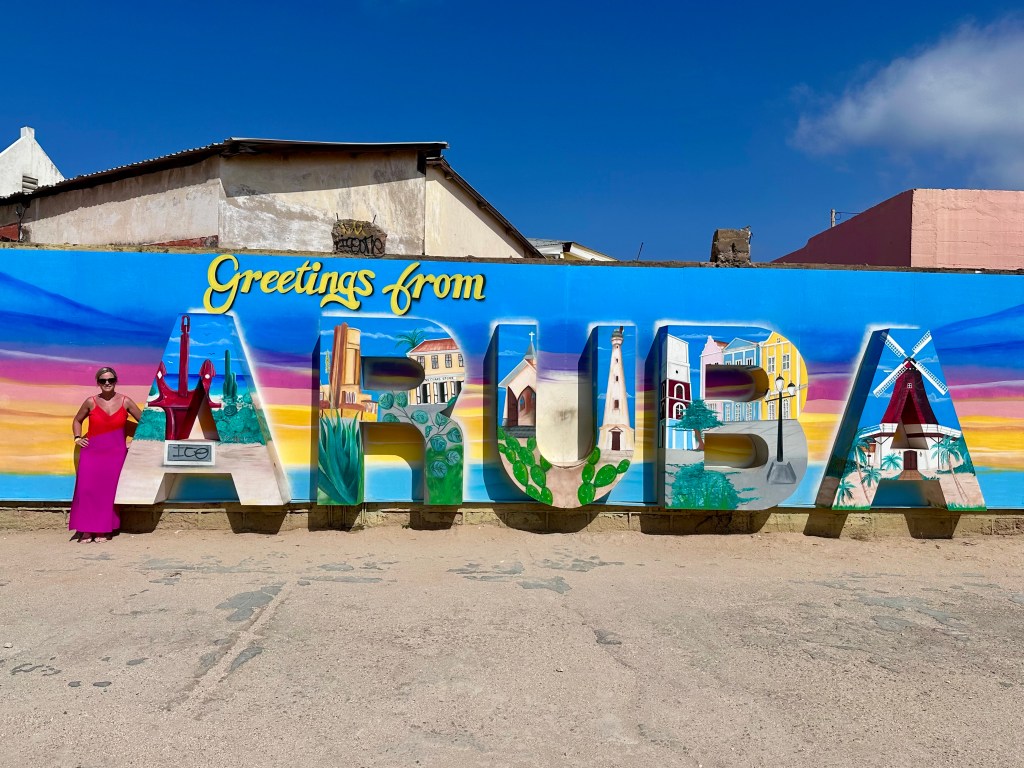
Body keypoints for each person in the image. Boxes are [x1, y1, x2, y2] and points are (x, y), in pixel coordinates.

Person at [70, 367, 142, 542]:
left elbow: (145, 423)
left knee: (108, 493)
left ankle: (102, 530)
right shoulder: (90, 401)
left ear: (116, 381)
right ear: (98, 383)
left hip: (115, 454)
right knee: (86, 490)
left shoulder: (126, 401)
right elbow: (77, 420)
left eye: (111, 380)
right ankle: (87, 529)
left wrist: (134, 442)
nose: (107, 383)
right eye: (103, 380)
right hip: (91, 453)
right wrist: (77, 437)